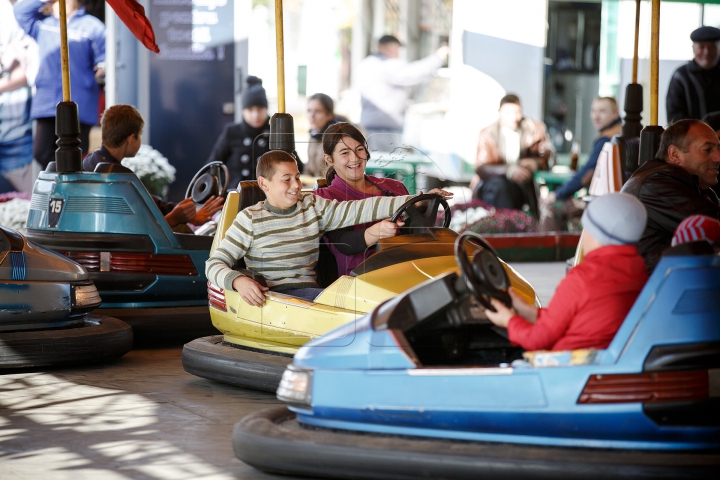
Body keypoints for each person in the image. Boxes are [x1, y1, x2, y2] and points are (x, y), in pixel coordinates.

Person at [205, 150, 452, 305]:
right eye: (286, 179)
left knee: (373, 297)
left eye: (298, 177)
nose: (296, 185)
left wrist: (416, 199)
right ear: (264, 183)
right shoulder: (250, 219)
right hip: (276, 299)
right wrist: (238, 281)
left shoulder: (312, 206)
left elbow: (363, 208)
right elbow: (214, 264)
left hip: (311, 294)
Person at [485, 193, 648, 352]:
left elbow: (538, 339)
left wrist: (509, 321)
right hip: (605, 362)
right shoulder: (639, 269)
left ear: (596, 234)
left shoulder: (583, 277)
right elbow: (573, 318)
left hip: (568, 370)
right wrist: (526, 311)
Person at [83, 104, 223, 230]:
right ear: (131, 139)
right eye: (140, 135)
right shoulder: (121, 178)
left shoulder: (91, 160)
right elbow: (140, 231)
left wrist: (183, 211)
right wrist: (175, 218)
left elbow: (148, 202)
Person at [14, 0, 105, 169]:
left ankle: (67, 189)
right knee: (42, 152)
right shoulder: (43, 23)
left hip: (79, 105)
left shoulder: (93, 27)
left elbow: (104, 59)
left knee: (74, 154)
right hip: (47, 102)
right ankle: (59, 188)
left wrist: (102, 69)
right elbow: (20, 11)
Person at [621, 119, 720, 272]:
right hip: (651, 288)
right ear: (675, 154)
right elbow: (712, 225)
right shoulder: (656, 184)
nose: (718, 158)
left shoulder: (693, 185)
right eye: (707, 150)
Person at [314, 122, 410, 276]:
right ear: (329, 159)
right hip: (361, 278)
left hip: (405, 265)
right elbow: (344, 243)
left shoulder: (394, 187)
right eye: (345, 153)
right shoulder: (324, 198)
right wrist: (377, 232)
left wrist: (424, 202)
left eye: (359, 149)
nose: (355, 158)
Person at [540, 97, 622, 231]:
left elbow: (586, 174)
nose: (596, 116)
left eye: (602, 111)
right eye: (594, 111)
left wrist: (556, 195)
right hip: (618, 200)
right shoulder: (620, 131)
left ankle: (548, 250)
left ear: (615, 112)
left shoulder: (607, 138)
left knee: (551, 210)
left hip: (606, 202)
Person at [357, 35, 449, 152]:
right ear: (389, 47)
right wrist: (438, 57)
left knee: (373, 165)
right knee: (386, 166)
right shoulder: (385, 65)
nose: (398, 53)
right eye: (397, 48)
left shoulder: (367, 63)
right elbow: (413, 73)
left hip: (372, 125)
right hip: (383, 129)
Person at [472, 94, 554, 219]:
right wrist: (508, 170)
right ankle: (506, 227)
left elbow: (550, 157)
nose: (514, 117)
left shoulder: (535, 129)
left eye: (517, 112)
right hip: (496, 188)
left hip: (524, 187)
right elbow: (481, 167)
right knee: (500, 187)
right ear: (500, 113)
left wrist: (535, 163)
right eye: (508, 113)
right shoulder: (487, 133)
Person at [207, 76, 271, 188]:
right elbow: (213, 165)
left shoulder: (275, 134)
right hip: (235, 195)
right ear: (243, 111)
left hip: (268, 197)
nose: (255, 115)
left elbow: (295, 166)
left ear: (266, 109)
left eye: (260, 109)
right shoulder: (232, 132)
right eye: (250, 110)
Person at [0, 0, 37, 193]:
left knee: (26, 203)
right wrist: (8, 61)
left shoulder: (26, 12)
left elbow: (29, 70)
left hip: (16, 130)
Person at [666, 26, 720, 123]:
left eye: (712, 47)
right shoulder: (681, 77)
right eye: (701, 47)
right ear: (693, 49)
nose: (706, 52)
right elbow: (674, 117)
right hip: (691, 137)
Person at [305, 93, 345, 177]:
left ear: (329, 115)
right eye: (309, 111)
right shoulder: (314, 135)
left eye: (318, 111)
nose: (312, 116)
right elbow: (309, 169)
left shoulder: (338, 139)